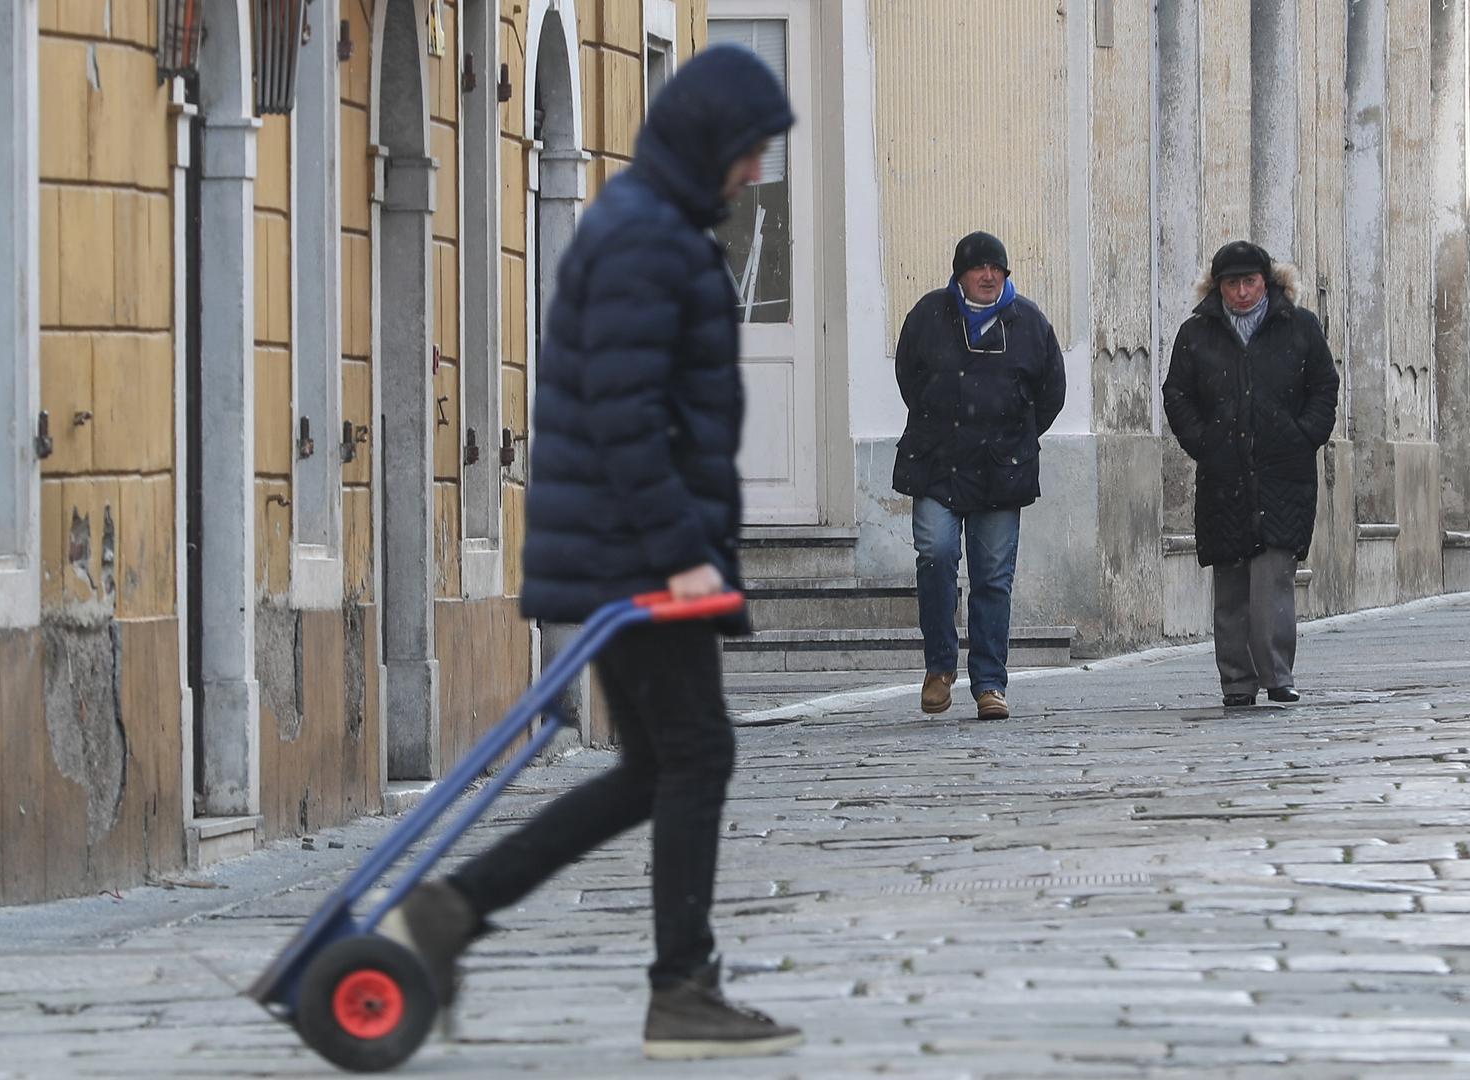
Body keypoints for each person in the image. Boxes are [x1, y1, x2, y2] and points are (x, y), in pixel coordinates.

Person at [376, 45, 801, 1061]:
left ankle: (452, 911)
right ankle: (680, 991)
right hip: (636, 550)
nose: (753, 171)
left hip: (630, 545)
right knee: (695, 754)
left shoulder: (653, 227)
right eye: (748, 152)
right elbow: (624, 415)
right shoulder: (645, 240)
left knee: (655, 766)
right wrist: (679, 553)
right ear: (709, 142)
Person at [891, 232, 1066, 721]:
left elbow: (1051, 392)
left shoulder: (1028, 322)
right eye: (978, 268)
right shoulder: (929, 316)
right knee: (936, 554)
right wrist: (942, 425)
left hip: (1000, 472)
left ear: (1006, 275)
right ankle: (939, 668)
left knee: (992, 578)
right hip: (936, 465)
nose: (989, 275)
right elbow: (910, 378)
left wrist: (1014, 439)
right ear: (960, 274)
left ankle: (989, 682)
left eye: (997, 268)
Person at [1161, 240, 1339, 708]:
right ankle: (1237, 681)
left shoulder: (1299, 327)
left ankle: (1277, 674)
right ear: (1217, 287)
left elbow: (1323, 386)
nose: (1241, 292)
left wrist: (1304, 436)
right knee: (1232, 582)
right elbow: (1177, 394)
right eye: (1231, 283)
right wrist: (1204, 442)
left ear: (1267, 282)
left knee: (1273, 580)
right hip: (1223, 476)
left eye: (1249, 282)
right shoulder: (1197, 333)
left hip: (1284, 473)